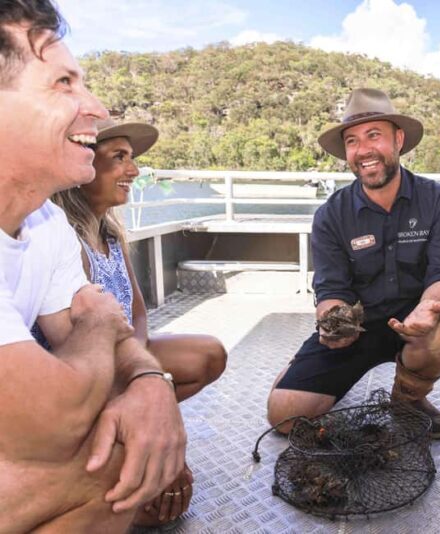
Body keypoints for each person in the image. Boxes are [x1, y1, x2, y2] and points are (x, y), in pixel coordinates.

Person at [0, 1, 187, 532]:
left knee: (116, 457)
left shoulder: (42, 220)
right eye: (64, 83)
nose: (97, 108)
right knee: (112, 463)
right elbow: (55, 420)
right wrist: (101, 328)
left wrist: (153, 384)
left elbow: (109, 324)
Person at [48, 119, 227, 526]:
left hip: (124, 359)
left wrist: (146, 377)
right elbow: (77, 348)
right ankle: (111, 443)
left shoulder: (110, 234)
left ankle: (134, 429)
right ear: (81, 168)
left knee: (208, 355)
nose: (134, 170)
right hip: (80, 377)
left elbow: (140, 313)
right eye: (119, 158)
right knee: (151, 511)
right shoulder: (65, 242)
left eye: (132, 159)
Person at [266, 88, 440, 439]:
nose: (363, 150)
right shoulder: (331, 215)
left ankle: (407, 400)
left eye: (374, 135)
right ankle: (297, 369)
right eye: (352, 141)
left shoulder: (439, 201)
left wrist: (429, 310)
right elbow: (331, 289)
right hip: (355, 329)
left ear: (398, 140)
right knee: (283, 417)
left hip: (413, 325)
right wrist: (332, 324)